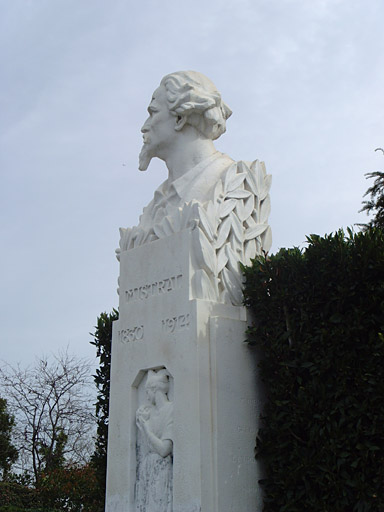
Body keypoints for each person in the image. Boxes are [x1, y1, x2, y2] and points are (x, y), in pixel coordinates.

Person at [137, 71, 234, 231]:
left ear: (180, 119)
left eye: (153, 113)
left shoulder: (229, 181)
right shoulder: (155, 206)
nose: (144, 127)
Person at [135, 369, 173, 512]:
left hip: (161, 469)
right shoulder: (152, 413)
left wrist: (145, 428)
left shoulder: (170, 410)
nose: (146, 396)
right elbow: (146, 446)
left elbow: (164, 449)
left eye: (147, 391)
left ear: (155, 390)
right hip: (147, 469)